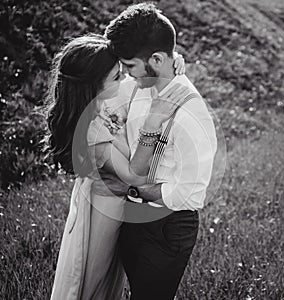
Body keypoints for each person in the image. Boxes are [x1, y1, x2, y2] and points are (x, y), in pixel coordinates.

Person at [46, 33, 187, 299]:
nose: (123, 80)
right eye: (116, 77)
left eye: (121, 73)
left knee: (112, 282)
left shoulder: (107, 100)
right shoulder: (89, 131)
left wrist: (169, 63)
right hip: (102, 214)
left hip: (121, 207)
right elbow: (133, 174)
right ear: (92, 86)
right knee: (92, 282)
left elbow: (139, 86)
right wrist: (152, 125)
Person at [104, 3, 218, 300]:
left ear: (156, 59)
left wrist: (138, 188)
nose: (126, 74)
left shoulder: (192, 113)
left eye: (130, 66)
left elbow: (190, 194)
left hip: (167, 227)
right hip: (130, 217)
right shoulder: (137, 87)